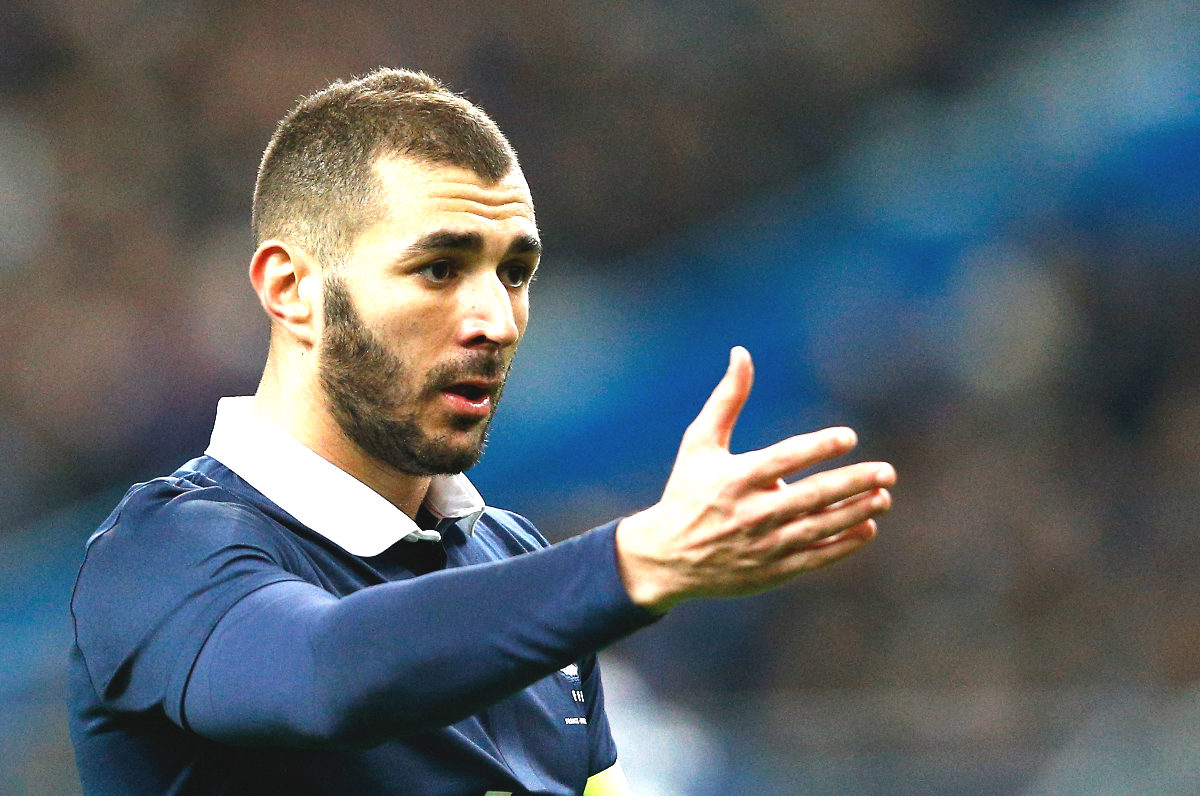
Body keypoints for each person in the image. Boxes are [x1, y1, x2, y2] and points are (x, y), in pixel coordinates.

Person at [67, 68, 896, 795]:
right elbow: (324, 673)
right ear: (292, 289)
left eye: (516, 272)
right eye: (440, 268)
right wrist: (634, 561)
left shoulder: (514, 561)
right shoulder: (159, 554)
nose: (497, 320)